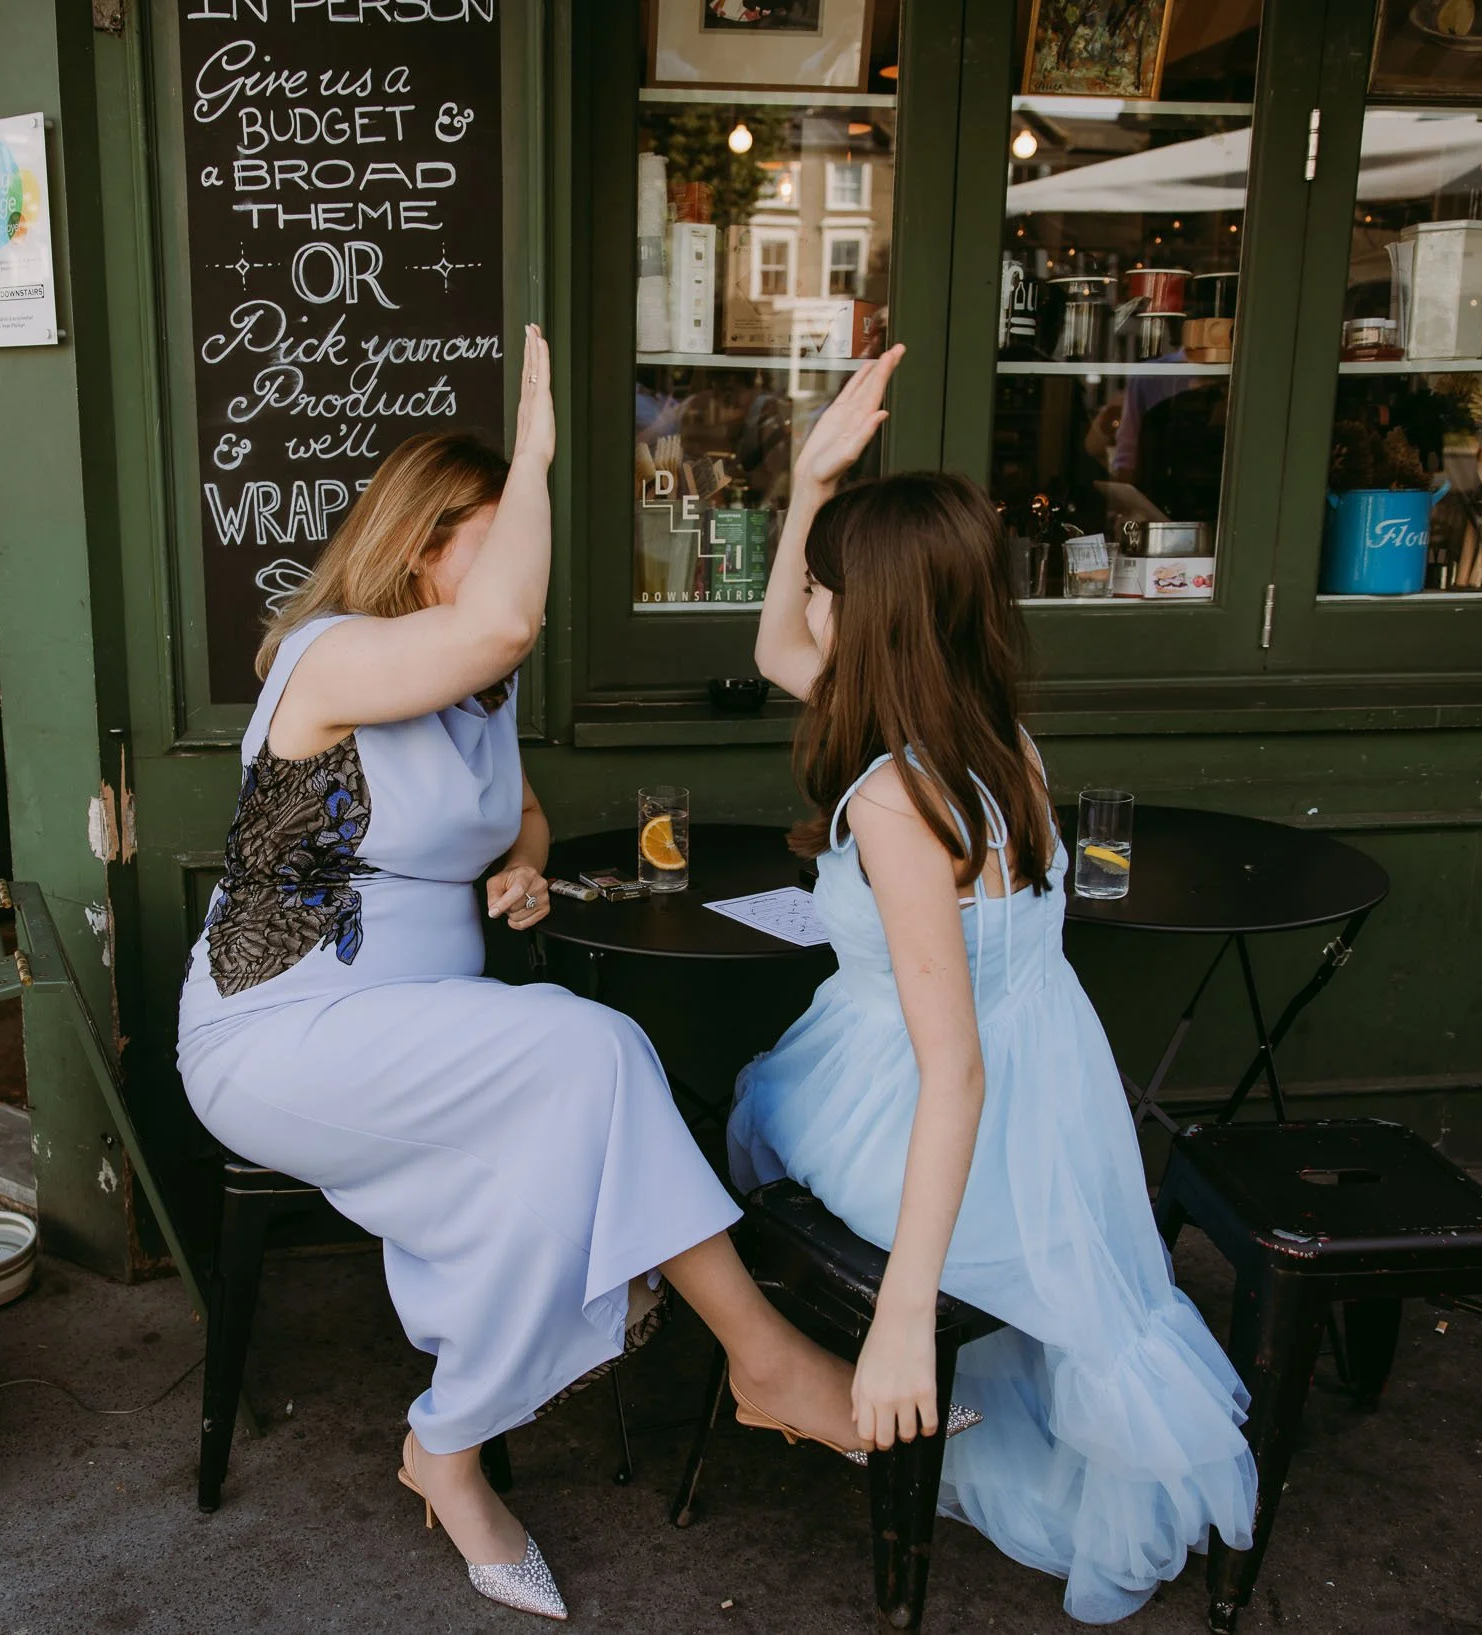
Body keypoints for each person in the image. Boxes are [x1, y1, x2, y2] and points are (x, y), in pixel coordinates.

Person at [177, 328, 869, 1624]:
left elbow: (518, 812)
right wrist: (540, 445)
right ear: (415, 544)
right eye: (481, 535)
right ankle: (756, 1358)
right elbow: (507, 620)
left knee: (566, 1100)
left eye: (514, 528)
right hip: (282, 1029)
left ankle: (452, 1440)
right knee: (588, 1049)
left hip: (416, 1029)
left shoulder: (473, 698)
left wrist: (524, 870)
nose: (502, 565)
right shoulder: (329, 657)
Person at [730, 346, 1259, 1624]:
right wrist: (808, 480)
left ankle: (814, 1355)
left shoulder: (895, 801)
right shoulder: (993, 739)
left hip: (925, 1100)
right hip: (1052, 1090)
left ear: (875, 615)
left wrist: (904, 1313)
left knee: (738, 1119)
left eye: (825, 588)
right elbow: (771, 649)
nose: (807, 605)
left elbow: (948, 1069)